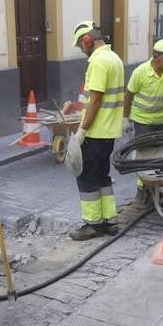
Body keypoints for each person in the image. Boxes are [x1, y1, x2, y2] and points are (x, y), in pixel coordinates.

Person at [68, 20, 125, 240]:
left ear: (87, 40)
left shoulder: (99, 62)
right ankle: (109, 221)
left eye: (81, 46)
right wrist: (75, 106)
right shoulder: (115, 59)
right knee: (102, 176)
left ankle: (92, 224)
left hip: (95, 133)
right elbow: (94, 98)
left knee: (86, 177)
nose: (81, 50)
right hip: (108, 132)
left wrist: (82, 131)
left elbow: (96, 100)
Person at [123, 39, 163, 206]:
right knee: (144, 156)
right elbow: (128, 96)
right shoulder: (140, 72)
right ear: (156, 56)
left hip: (161, 119)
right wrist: (125, 118)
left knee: (161, 153)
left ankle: (160, 187)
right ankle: (143, 191)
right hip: (142, 120)